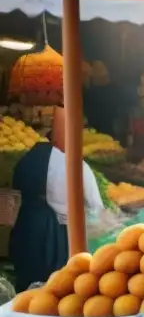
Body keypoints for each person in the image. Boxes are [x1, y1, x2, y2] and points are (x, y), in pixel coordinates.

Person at [10, 106, 105, 291]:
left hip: (25, 226)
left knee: (25, 284)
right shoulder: (77, 165)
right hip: (55, 235)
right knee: (54, 288)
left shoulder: (27, 158)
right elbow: (96, 207)